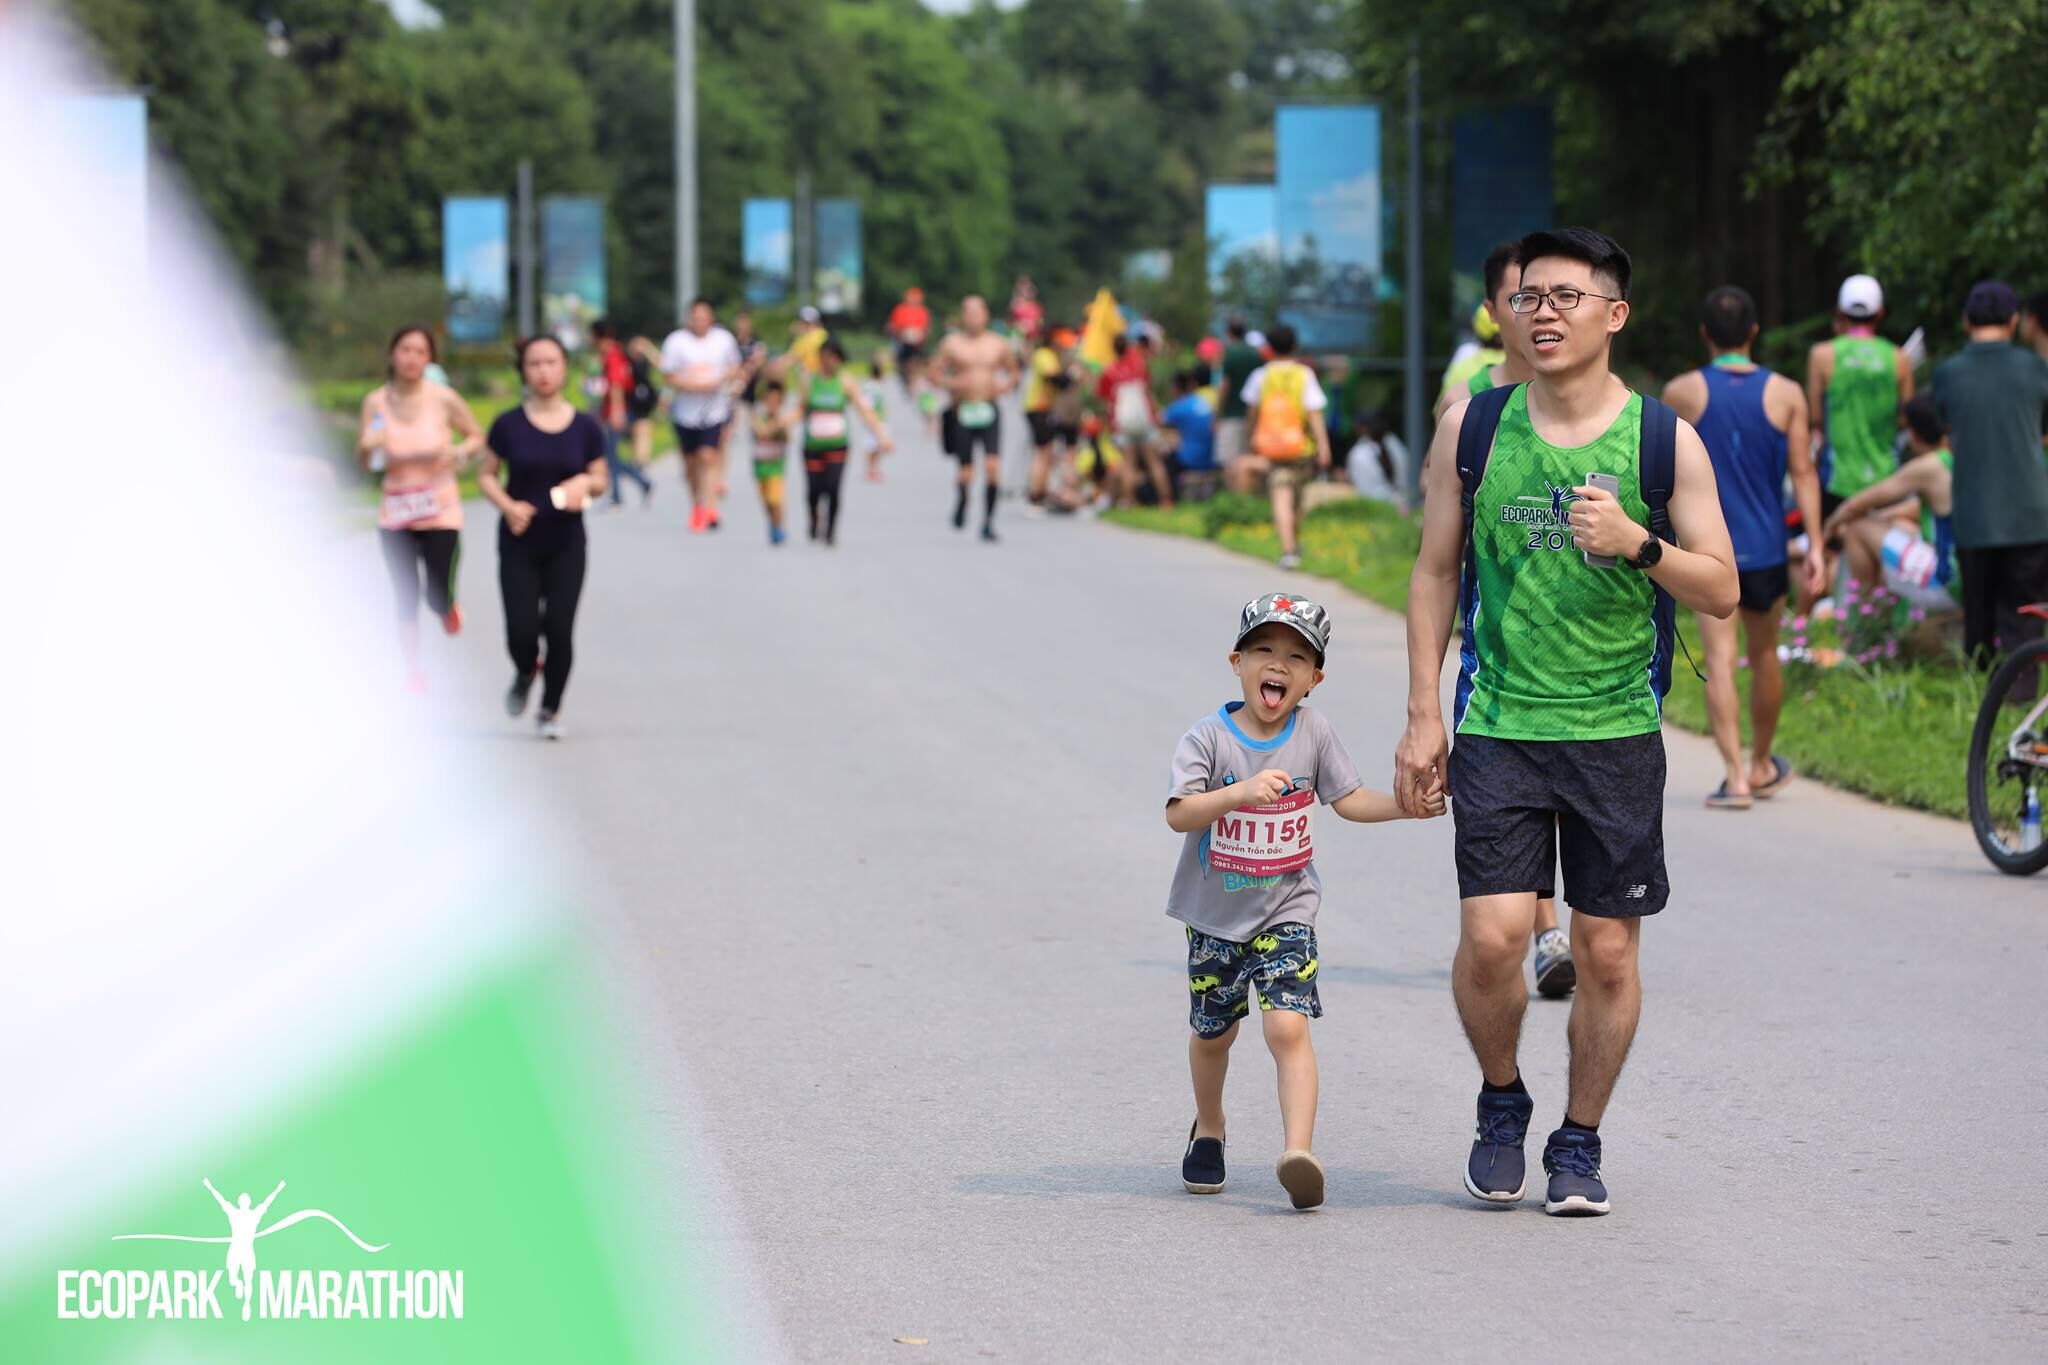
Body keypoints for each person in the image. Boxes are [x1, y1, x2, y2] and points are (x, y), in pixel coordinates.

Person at [1397, 227, 1737, 1217]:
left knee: (1603, 951)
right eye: (1526, 296)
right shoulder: (1471, 429)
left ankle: (1577, 1142)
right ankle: (1500, 1102)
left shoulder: (1661, 441)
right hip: (1499, 723)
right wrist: (1424, 713)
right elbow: (1429, 574)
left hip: (1615, 734)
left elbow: (1717, 589)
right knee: (1496, 939)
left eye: (1565, 297)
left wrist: (1638, 546)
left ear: (1613, 315)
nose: (1540, 313)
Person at [1168, 593, 1441, 1210]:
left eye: (1297, 657)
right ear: (1237, 661)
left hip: (1288, 909)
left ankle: (1298, 1152)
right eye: (1264, 650)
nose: (1279, 665)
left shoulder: (1314, 733)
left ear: (1314, 678)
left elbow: (1348, 799)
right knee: (1214, 1032)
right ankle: (1209, 1127)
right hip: (1214, 919)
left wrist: (1407, 806)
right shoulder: (1208, 739)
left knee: (1288, 1025)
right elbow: (1180, 814)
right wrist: (1236, 794)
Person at [1661, 285, 1824, 810]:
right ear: (1754, 332)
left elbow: (1656, 468)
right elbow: (1802, 472)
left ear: (1705, 334)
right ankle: (1760, 763)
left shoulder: (1683, 391)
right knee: (1765, 655)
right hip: (1769, 549)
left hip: (1710, 552)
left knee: (1721, 659)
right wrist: (1817, 543)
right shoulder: (1787, 393)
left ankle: (1734, 777)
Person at [479, 334, 609, 741]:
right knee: (521, 631)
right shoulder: (507, 424)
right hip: (519, 540)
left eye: (551, 362)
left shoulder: (585, 427)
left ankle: (550, 709)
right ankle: (523, 671)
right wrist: (507, 505)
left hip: (567, 541)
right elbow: (485, 474)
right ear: (524, 370)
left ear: (565, 367)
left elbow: (602, 479)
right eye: (535, 363)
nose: (543, 371)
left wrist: (585, 483)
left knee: (558, 628)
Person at [356, 323, 484, 694]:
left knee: (435, 592)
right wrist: (366, 445)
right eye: (405, 350)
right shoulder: (375, 403)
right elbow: (365, 463)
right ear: (392, 355)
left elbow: (476, 435)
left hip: (440, 508)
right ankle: (413, 669)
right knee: (405, 592)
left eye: (420, 352)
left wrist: (460, 452)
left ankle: (446, 608)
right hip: (395, 510)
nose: (411, 358)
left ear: (430, 360)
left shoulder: (443, 398)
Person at [1931, 280, 2048, 673]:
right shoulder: (2035, 368)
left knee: (1977, 618)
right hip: (2030, 513)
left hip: (1975, 512)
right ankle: (2022, 695)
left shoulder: (1948, 372)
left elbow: (1942, 425)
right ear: (2014, 321)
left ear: (1967, 321)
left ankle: (1979, 694)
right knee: (2026, 617)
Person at [1824, 394, 1958, 616]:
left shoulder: (1929, 466)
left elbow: (1855, 505)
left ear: (1914, 435)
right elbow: (1917, 508)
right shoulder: (1959, 457)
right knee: (1901, 527)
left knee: (1857, 528)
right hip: (1975, 577)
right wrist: (1883, 519)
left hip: (1947, 583)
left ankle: (1864, 627)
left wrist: (1829, 528)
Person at [1807, 274, 1914, 531]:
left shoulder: (1822, 355)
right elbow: (1906, 417)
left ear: (1840, 313)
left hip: (1838, 480)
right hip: (1886, 479)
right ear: (1879, 313)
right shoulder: (1898, 358)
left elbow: (1816, 418)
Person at [1234, 324, 1333, 571]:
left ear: (1269, 348)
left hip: (1271, 447)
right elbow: (1314, 414)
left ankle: (1290, 549)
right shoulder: (1304, 375)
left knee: (1282, 496)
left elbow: (1252, 412)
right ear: (1295, 346)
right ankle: (1290, 549)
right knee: (1292, 497)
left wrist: (1251, 439)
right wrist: (1324, 447)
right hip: (1301, 448)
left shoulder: (1260, 375)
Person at [932, 295, 1019, 541]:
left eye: (977, 313)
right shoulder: (952, 344)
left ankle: (988, 522)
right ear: (963, 316)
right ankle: (962, 503)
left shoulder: (997, 344)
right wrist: (953, 383)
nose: (973, 318)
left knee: (992, 468)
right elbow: (934, 373)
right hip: (963, 410)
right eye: (968, 313)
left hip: (988, 409)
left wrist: (1004, 386)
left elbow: (1014, 370)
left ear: (986, 315)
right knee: (966, 473)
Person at [795, 336, 892, 546]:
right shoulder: (809, 381)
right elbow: (799, 410)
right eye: (825, 358)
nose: (828, 362)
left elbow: (865, 410)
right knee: (813, 490)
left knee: (833, 488)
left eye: (833, 358)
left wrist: (881, 436)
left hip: (837, 444)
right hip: (812, 444)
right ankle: (813, 519)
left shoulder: (846, 381)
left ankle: (830, 529)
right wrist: (779, 425)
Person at [659, 298, 743, 532]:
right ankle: (697, 503)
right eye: (695, 317)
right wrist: (691, 385)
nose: (700, 321)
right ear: (689, 319)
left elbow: (735, 366)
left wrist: (720, 381)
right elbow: (668, 375)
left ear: (711, 318)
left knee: (709, 456)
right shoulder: (676, 342)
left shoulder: (723, 339)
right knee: (691, 463)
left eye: (704, 317)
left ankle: (711, 508)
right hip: (685, 412)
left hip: (714, 410)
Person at [1435, 246, 1528, 422]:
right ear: (1491, 311)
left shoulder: (1589, 396)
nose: (1541, 311)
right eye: (1522, 299)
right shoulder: (1461, 404)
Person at [1099, 333, 1174, 508]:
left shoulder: (1109, 371)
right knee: (1154, 461)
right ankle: (1166, 500)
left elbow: (1104, 400)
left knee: (1128, 463)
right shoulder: (1139, 365)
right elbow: (1148, 392)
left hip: (1123, 423)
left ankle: (1129, 499)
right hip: (1144, 420)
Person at [590, 320, 652, 508]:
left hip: (618, 411)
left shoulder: (613, 355)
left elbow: (616, 385)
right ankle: (636, 485)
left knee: (609, 455)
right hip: (614, 410)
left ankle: (626, 491)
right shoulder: (616, 352)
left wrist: (616, 413)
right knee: (610, 454)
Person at [1024, 327, 1075, 511]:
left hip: (1045, 409)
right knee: (1042, 452)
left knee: (1047, 452)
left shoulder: (1050, 355)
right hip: (1039, 408)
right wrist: (1073, 374)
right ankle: (1035, 495)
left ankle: (1042, 492)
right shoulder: (1044, 354)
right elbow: (1057, 380)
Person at [1160, 367, 1218, 500]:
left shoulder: (1179, 407)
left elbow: (1158, 422)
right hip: (1212, 457)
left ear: (1175, 388)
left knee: (1161, 459)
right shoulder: (1202, 401)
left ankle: (1168, 497)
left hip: (1191, 459)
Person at [750, 377, 793, 546]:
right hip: (760, 465)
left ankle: (779, 527)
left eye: (776, 400)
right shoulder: (757, 415)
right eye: (770, 399)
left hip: (776, 465)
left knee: (776, 499)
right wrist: (776, 424)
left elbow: (788, 438)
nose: (772, 403)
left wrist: (780, 423)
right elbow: (761, 433)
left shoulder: (783, 417)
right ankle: (772, 523)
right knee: (766, 501)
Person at [1215, 318, 1261, 469]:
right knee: (1247, 458)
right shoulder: (1256, 355)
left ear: (1228, 333)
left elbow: (1225, 386)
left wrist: (1217, 414)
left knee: (1229, 460)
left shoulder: (1230, 354)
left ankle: (1231, 491)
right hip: (1252, 414)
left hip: (1231, 414)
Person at [1346, 411, 1410, 503]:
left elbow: (1363, 489)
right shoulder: (1395, 443)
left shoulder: (1358, 453)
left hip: (1375, 504)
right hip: (1403, 500)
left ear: (1362, 428)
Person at [860, 350, 892, 482]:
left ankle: (875, 469)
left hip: (881, 419)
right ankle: (869, 469)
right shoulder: (870, 386)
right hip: (874, 419)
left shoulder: (877, 384)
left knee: (878, 446)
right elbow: (867, 404)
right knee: (871, 446)